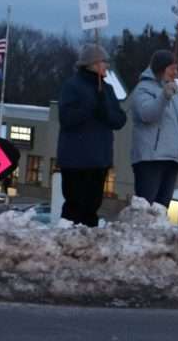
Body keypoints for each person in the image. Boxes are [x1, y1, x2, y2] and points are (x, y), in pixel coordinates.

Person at [57, 43, 126, 227]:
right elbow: (66, 118)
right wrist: (90, 106)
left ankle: (88, 244)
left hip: (99, 159)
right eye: (104, 61)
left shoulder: (107, 89)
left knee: (92, 206)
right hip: (76, 160)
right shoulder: (72, 86)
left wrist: (105, 110)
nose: (107, 66)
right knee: (74, 206)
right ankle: (66, 239)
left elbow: (119, 120)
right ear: (93, 64)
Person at [130, 49, 178, 208]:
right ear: (161, 68)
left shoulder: (173, 89)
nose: (176, 73)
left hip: (171, 159)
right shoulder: (143, 88)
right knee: (146, 208)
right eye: (172, 68)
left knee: (161, 209)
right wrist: (164, 96)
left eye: (176, 68)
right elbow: (147, 114)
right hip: (151, 159)